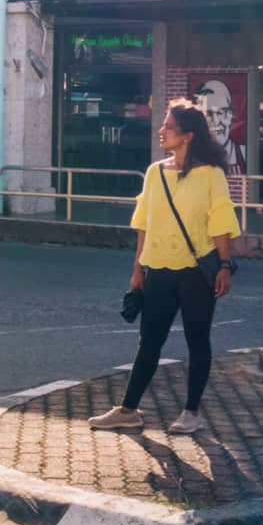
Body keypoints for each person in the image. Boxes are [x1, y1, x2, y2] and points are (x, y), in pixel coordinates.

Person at [89, 100, 240, 435]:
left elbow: (221, 221)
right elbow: (145, 222)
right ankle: (128, 409)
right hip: (157, 268)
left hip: (195, 272)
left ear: (187, 135)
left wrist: (225, 265)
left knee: (197, 339)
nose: (161, 131)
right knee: (149, 341)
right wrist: (138, 269)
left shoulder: (211, 175)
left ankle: (191, 412)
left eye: (168, 127)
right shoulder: (155, 173)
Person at [194, 77, 247, 174]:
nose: (216, 121)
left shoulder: (245, 154)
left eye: (221, 112)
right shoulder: (192, 156)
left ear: (231, 115)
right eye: (208, 113)